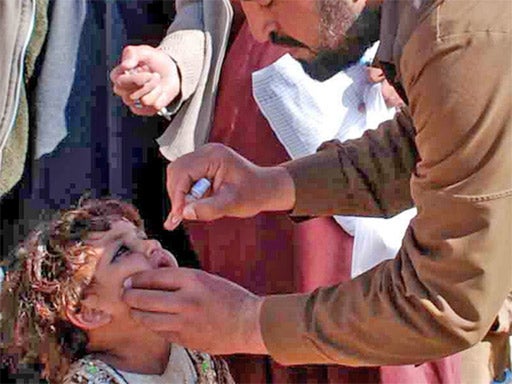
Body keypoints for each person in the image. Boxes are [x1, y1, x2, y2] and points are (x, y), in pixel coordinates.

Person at [118, 0, 511, 377]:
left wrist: (247, 323)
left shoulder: (458, 39)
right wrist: (272, 184)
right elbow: (422, 146)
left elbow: (443, 300)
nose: (258, 29)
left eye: (268, 1)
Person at [0, 198, 233, 383]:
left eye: (142, 237)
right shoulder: (89, 381)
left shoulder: (195, 343)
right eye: (122, 250)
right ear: (89, 311)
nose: (152, 245)